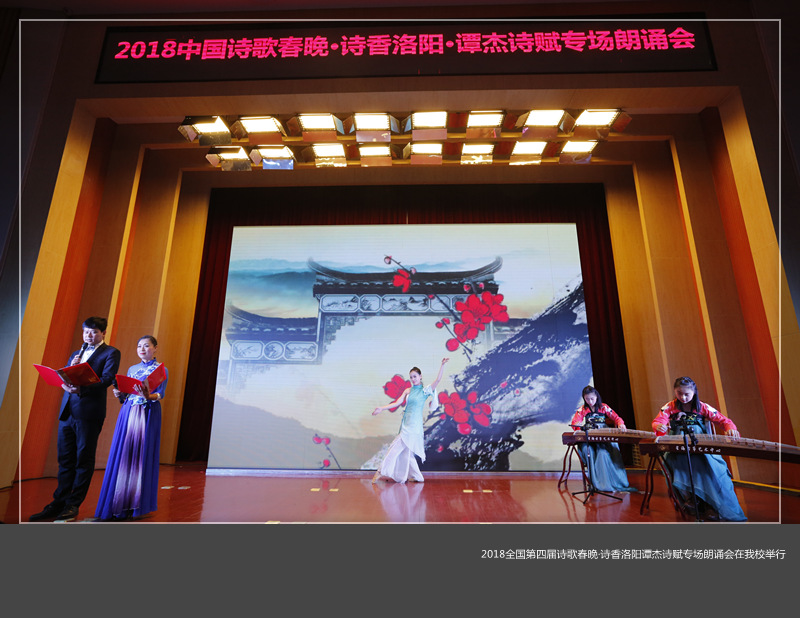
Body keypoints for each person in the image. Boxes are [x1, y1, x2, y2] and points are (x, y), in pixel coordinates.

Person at [29, 317, 121, 522]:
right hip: (68, 411)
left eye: (94, 332)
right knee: (65, 459)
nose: (89, 335)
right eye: (86, 331)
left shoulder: (110, 352)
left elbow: (107, 379)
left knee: (83, 460)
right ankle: (58, 502)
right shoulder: (76, 353)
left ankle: (73, 504)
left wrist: (81, 389)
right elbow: (65, 375)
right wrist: (64, 380)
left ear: (103, 333)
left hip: (89, 413)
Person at [652, 376, 747, 522]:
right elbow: (659, 421)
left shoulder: (703, 407)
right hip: (678, 448)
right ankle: (692, 498)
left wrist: (730, 429)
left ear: (694, 392)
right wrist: (659, 426)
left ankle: (711, 505)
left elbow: (724, 421)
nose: (683, 397)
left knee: (712, 468)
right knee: (671, 462)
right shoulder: (670, 406)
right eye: (679, 393)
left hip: (701, 446)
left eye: (687, 394)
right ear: (675, 392)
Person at [95, 335, 168, 521]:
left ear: (155, 348)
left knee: (141, 456)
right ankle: (117, 503)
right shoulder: (132, 369)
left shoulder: (161, 369)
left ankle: (135, 505)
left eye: (146, 346)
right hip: (129, 411)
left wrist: (148, 395)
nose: (142, 349)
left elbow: (160, 394)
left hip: (147, 412)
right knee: (124, 454)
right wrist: (120, 394)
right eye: (139, 346)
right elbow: (128, 394)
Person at [371, 358, 449, 483]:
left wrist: (442, 365)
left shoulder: (425, 391)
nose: (413, 379)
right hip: (406, 424)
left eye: (415, 376)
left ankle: (381, 471)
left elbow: (438, 380)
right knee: (406, 454)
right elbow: (397, 402)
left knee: (394, 449)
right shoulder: (408, 390)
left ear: (420, 376)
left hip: (414, 426)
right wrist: (382, 408)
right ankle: (418, 476)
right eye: (411, 377)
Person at [568, 385, 635, 493]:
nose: (590, 401)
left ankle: (610, 482)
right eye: (587, 399)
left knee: (603, 453)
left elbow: (616, 418)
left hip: (603, 435)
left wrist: (620, 424)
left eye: (592, 398)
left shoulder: (604, 407)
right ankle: (595, 482)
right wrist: (578, 425)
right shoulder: (583, 409)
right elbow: (575, 422)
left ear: (596, 397)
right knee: (588, 451)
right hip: (589, 436)